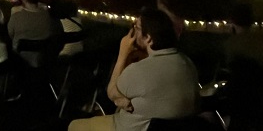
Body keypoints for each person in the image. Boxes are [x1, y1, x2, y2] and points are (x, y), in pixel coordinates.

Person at [68, 8, 200, 131]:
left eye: (136, 28)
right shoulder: (188, 64)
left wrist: (123, 52)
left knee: (74, 126)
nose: (132, 32)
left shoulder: (140, 71)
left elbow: (112, 92)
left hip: (130, 127)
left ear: (148, 37)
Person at [8, 0, 56, 67]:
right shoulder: (47, 15)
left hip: (20, 59)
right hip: (43, 56)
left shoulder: (16, 17)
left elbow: (10, 34)